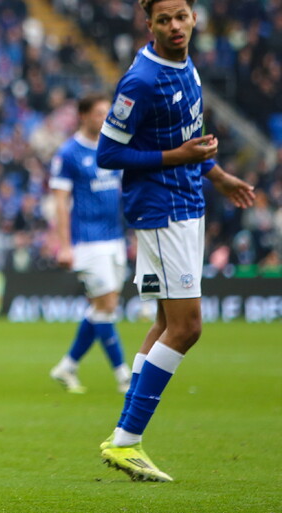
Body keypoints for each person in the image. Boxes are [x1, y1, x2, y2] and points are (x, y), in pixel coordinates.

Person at [96, 0, 255, 482]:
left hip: (187, 201)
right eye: (163, 20)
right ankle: (126, 440)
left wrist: (219, 175)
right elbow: (107, 153)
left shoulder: (187, 66)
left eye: (181, 16)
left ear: (192, 17)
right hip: (162, 209)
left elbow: (189, 135)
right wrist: (176, 157)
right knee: (187, 328)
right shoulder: (141, 81)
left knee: (166, 321)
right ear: (149, 24)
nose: (174, 26)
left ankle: (123, 437)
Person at [48, 94, 131, 395]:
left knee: (102, 308)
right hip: (88, 241)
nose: (105, 117)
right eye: (99, 113)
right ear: (83, 115)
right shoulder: (69, 153)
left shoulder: (113, 147)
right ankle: (124, 375)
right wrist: (64, 246)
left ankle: (67, 366)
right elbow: (59, 202)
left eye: (107, 112)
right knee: (107, 305)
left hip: (115, 238)